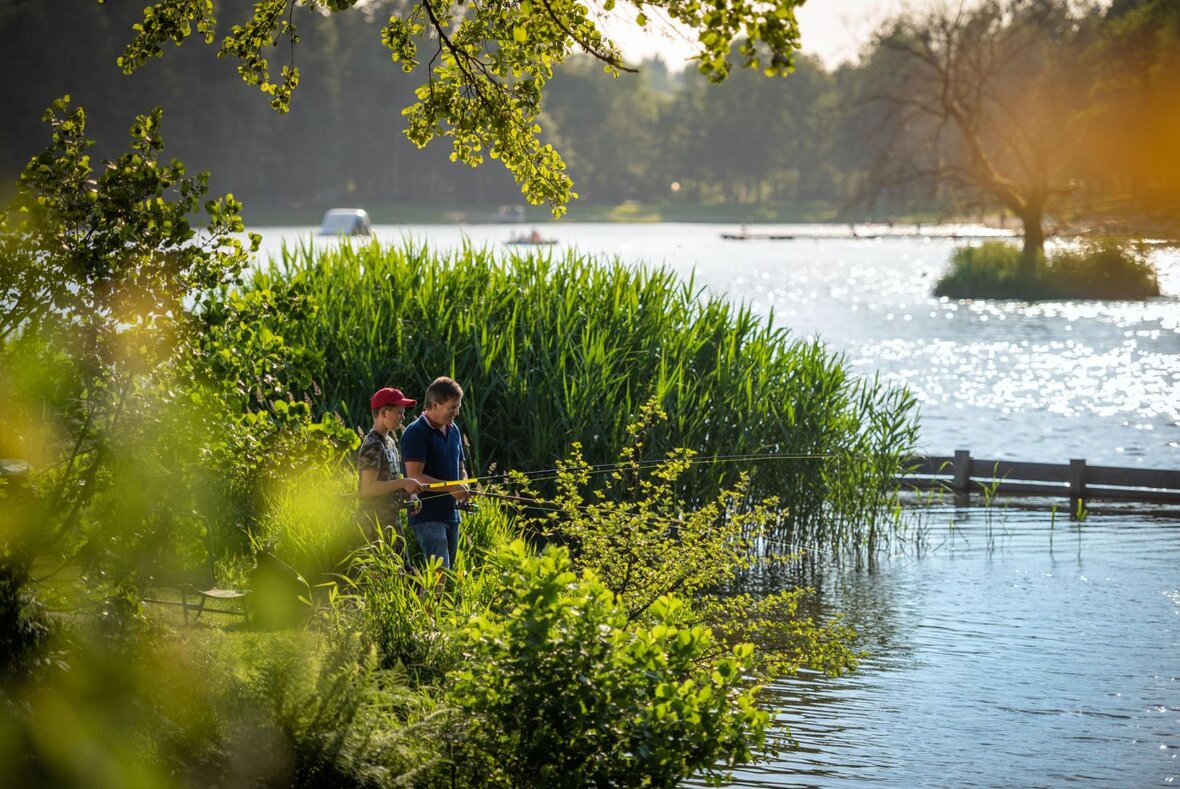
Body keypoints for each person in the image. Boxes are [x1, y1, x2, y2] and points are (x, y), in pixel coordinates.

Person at [401, 376, 470, 570]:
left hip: (451, 514)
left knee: (446, 575)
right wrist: (450, 487)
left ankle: (430, 601)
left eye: (458, 406)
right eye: (452, 407)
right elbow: (415, 476)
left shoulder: (454, 430)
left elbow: (461, 469)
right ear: (434, 404)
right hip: (427, 516)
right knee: (438, 573)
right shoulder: (416, 432)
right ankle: (427, 601)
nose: (456, 412)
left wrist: (463, 485)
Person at [357, 387, 424, 550]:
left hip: (391, 523)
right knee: (387, 574)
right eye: (399, 413)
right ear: (384, 413)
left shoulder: (390, 442)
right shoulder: (372, 445)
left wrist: (410, 495)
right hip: (374, 527)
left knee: (404, 573)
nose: (403, 417)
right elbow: (367, 488)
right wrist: (403, 482)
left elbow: (391, 481)